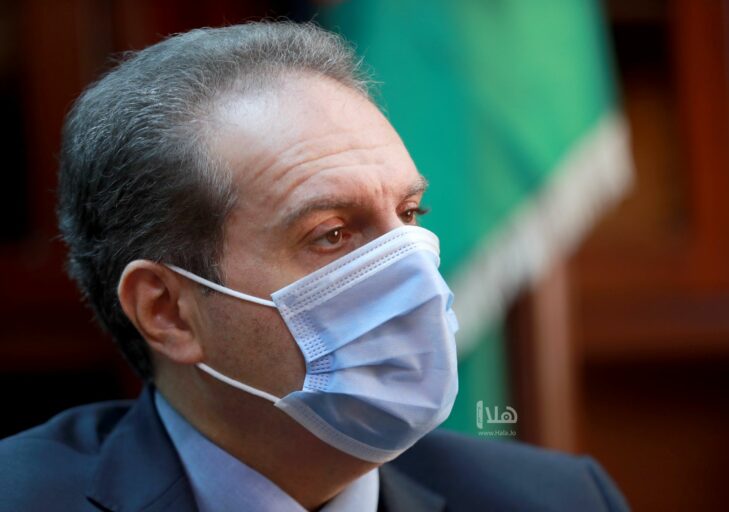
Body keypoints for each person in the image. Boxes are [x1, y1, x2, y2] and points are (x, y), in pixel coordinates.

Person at [0, 22, 629, 512]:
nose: (414, 273)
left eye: (410, 214)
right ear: (168, 312)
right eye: (332, 234)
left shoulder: (561, 500)